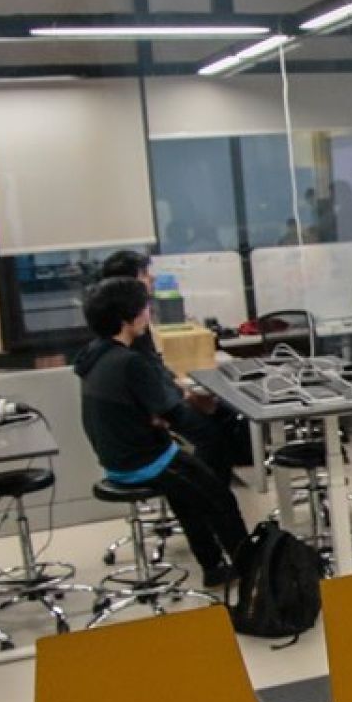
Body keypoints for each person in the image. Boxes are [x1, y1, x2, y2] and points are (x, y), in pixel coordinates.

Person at [75, 277, 247, 587]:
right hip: (145, 460)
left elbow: (148, 409)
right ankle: (253, 570)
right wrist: (201, 406)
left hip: (116, 458)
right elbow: (173, 415)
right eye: (144, 309)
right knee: (220, 499)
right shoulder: (130, 363)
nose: (148, 314)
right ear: (127, 319)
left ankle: (214, 568)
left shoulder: (95, 354)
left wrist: (158, 416)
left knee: (188, 499)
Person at [99, 248, 250, 480]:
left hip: (158, 400)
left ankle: (225, 476)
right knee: (211, 434)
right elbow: (150, 382)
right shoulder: (127, 329)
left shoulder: (125, 323)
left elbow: (154, 366)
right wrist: (186, 396)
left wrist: (182, 388)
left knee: (224, 412)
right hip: (152, 414)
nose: (151, 278)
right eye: (144, 274)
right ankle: (210, 489)